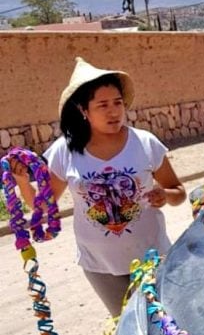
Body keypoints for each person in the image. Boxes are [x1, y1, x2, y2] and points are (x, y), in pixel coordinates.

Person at [10, 57, 186, 316]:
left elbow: (179, 192)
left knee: (167, 323)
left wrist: (166, 195)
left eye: (117, 103)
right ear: (84, 110)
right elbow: (44, 208)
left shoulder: (145, 143)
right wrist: (23, 181)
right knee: (126, 328)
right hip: (100, 266)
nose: (113, 111)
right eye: (102, 105)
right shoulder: (65, 151)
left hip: (153, 256)